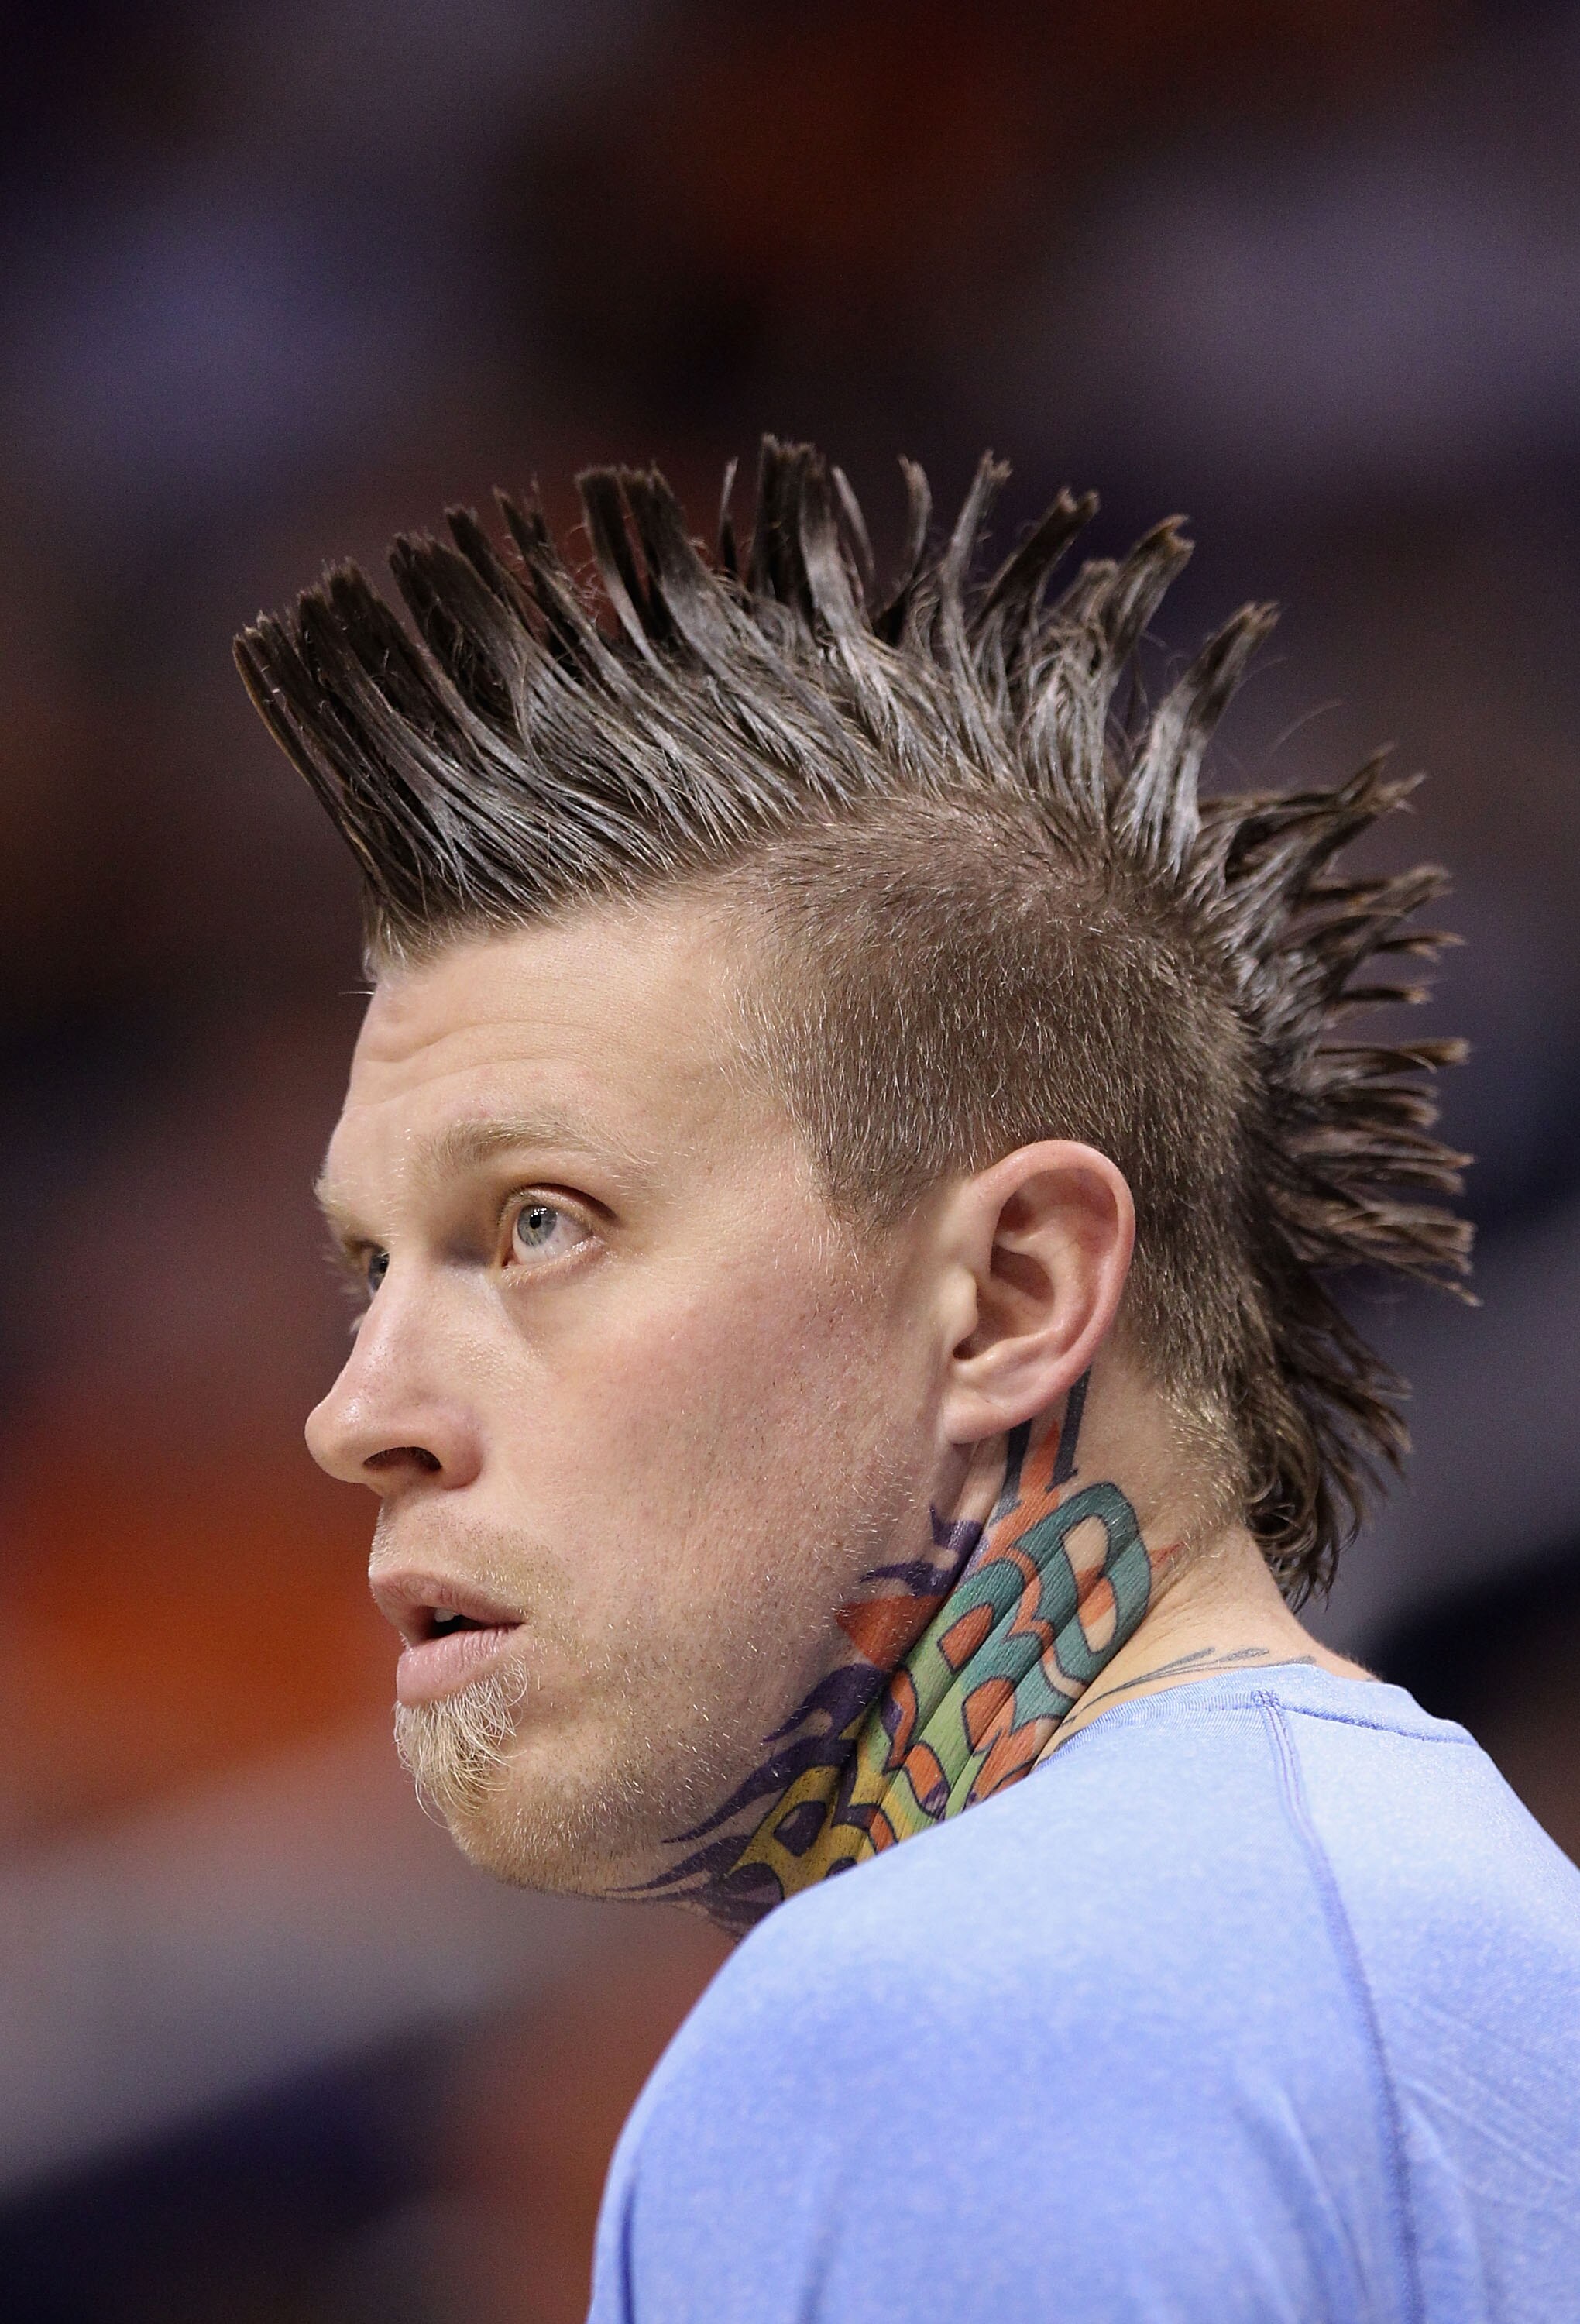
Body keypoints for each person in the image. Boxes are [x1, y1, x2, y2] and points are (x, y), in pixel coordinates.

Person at [236, 442, 1580, 2322]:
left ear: (1013, 1294)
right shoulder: (1483, 1941)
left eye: (541, 1221)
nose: (355, 1409)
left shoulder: (942, 2025)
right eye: (371, 1269)